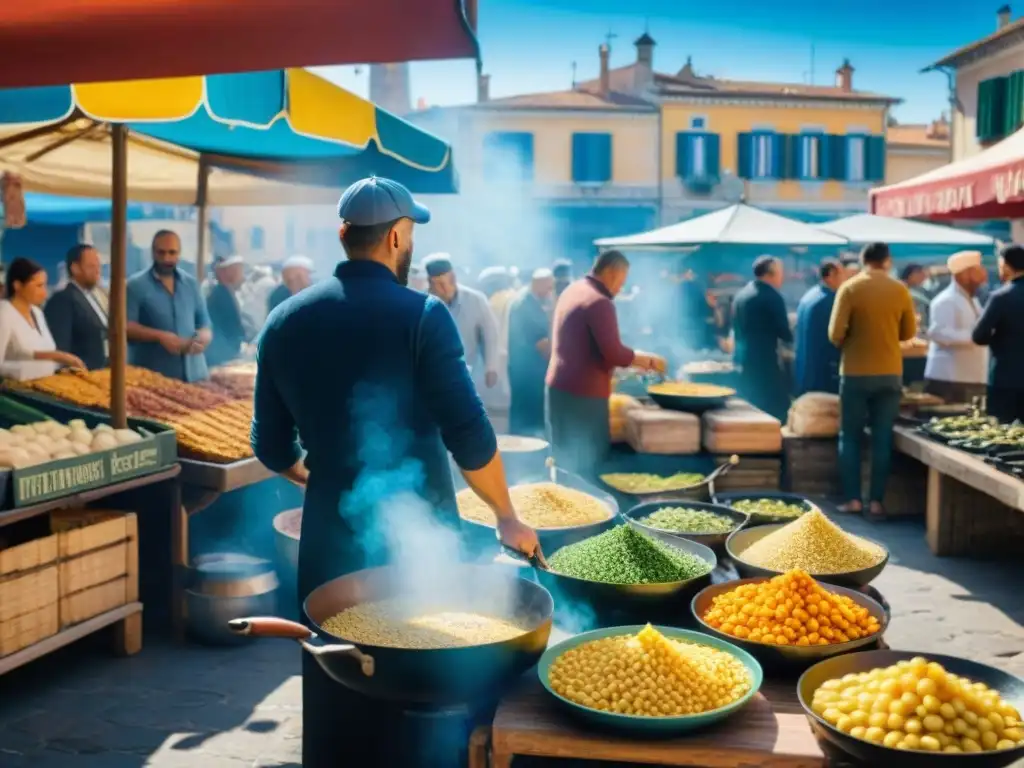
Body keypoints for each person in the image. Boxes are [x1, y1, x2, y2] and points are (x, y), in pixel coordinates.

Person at [249, 176, 539, 768]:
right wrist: (505, 515)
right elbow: (470, 435)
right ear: (398, 238)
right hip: (421, 540)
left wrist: (327, 479)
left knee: (336, 681)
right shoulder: (424, 315)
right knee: (420, 685)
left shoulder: (283, 320)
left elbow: (272, 447)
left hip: (329, 538)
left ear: (343, 236)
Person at [546, 250, 665, 477]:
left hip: (558, 389)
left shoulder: (573, 289)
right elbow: (614, 354)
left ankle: (564, 506)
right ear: (611, 273)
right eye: (622, 280)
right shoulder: (599, 301)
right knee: (588, 465)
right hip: (583, 397)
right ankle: (588, 511)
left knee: (563, 462)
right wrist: (648, 360)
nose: (621, 288)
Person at [828, 242, 916, 520]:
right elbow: (908, 333)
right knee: (882, 437)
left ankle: (854, 499)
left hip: (855, 372)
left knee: (850, 436)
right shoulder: (900, 289)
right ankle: (876, 502)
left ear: (864, 261)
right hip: (890, 372)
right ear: (887, 261)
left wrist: (851, 340)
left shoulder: (850, 288)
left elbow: (834, 334)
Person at [126, 230, 212, 382]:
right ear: (152, 253)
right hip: (153, 377)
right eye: (161, 252)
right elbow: (126, 326)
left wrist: (202, 338)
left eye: (172, 253)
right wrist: (159, 336)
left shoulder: (191, 284)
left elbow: (204, 324)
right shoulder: (135, 286)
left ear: (179, 253)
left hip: (195, 374)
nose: (167, 258)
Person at [423, 253, 500, 391]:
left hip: (467, 372)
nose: (439, 289)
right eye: (434, 284)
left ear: (453, 279)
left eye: (442, 284)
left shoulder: (476, 300)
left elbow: (490, 335)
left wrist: (491, 367)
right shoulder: (423, 303)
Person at [0, 258, 84, 380]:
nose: (44, 293)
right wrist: (24, 370)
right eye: (38, 286)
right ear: (17, 285)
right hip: (16, 393)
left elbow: (47, 353)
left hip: (46, 386)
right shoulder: (4, 313)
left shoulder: (37, 313)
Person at [731, 256, 793, 421]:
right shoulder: (772, 296)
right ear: (771, 274)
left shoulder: (741, 295)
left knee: (748, 410)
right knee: (776, 411)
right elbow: (784, 333)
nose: (783, 277)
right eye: (781, 273)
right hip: (765, 364)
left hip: (741, 361)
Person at [923, 251, 989, 404]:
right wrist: (977, 336)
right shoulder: (946, 300)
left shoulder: (973, 299)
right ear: (964, 274)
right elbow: (939, 334)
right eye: (978, 270)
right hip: (949, 379)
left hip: (970, 377)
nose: (984, 275)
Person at [972, 244, 1024, 422]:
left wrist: (999, 338)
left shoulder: (1001, 297)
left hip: (1006, 377)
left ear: (1007, 266)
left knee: (1003, 435)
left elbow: (978, 336)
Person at [43, 244, 108, 371]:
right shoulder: (63, 299)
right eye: (91, 266)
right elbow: (60, 347)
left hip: (101, 373)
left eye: (98, 266)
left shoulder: (95, 296)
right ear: (75, 268)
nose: (97, 271)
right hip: (80, 375)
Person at [507, 268, 554, 437]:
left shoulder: (528, 301)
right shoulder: (526, 306)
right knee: (528, 425)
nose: (550, 292)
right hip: (528, 375)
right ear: (538, 284)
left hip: (524, 373)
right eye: (548, 288)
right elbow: (543, 345)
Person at [794, 259, 845, 396]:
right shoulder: (830, 300)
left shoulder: (809, 295)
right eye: (841, 275)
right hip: (822, 372)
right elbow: (835, 337)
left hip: (804, 371)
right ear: (831, 275)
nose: (844, 279)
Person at [205, 255, 256, 368]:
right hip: (221, 355)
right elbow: (231, 325)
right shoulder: (220, 295)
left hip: (227, 352)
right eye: (239, 271)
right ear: (227, 273)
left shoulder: (227, 292)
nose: (242, 276)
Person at [901, 263, 931, 331]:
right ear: (912, 274)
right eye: (921, 274)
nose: (923, 278)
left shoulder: (920, 290)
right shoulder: (901, 289)